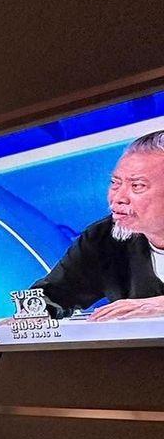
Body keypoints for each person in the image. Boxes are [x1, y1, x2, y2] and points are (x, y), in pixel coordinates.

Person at [32, 130, 164, 321]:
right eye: (115, 183)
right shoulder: (103, 238)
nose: (117, 198)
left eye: (137, 186)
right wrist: (30, 316)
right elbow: (52, 294)